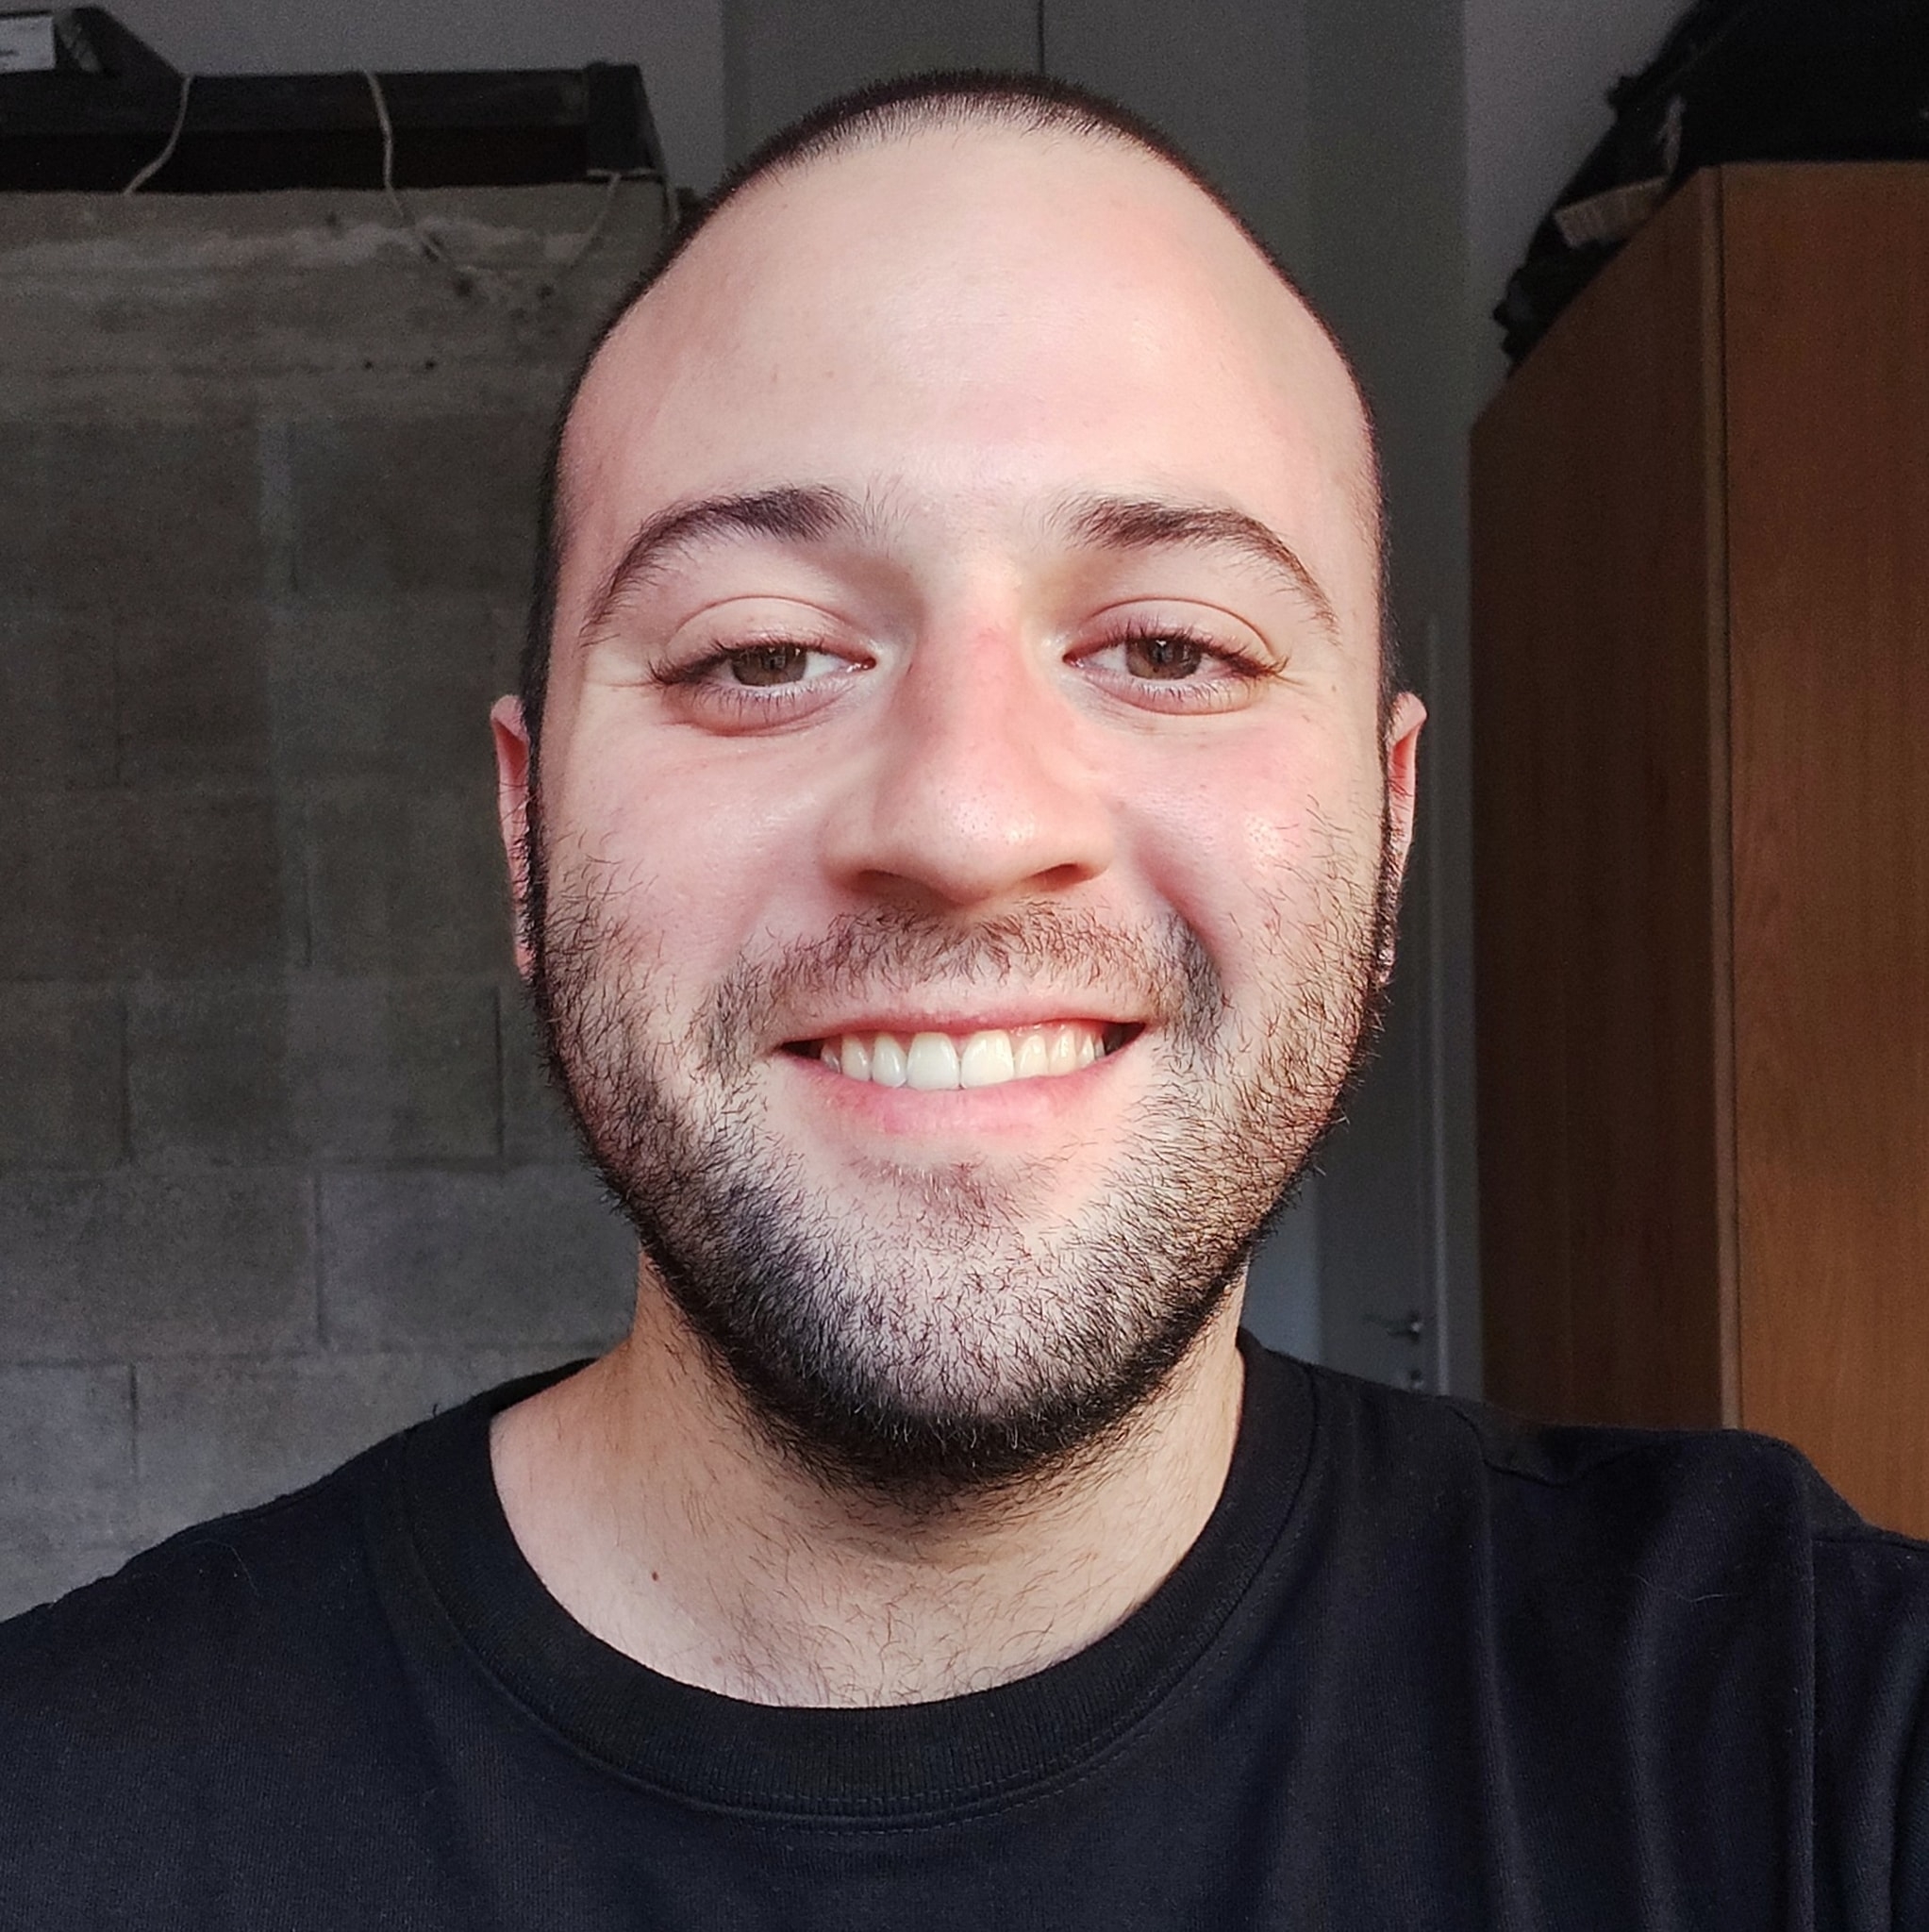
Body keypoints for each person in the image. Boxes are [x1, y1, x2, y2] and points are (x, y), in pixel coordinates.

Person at [2, 71, 1923, 1929]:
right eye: (762, 656)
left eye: (1170, 646)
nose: (966, 819)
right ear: (525, 832)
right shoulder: (61, 1814)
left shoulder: (1804, 1730)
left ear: (1389, 822)